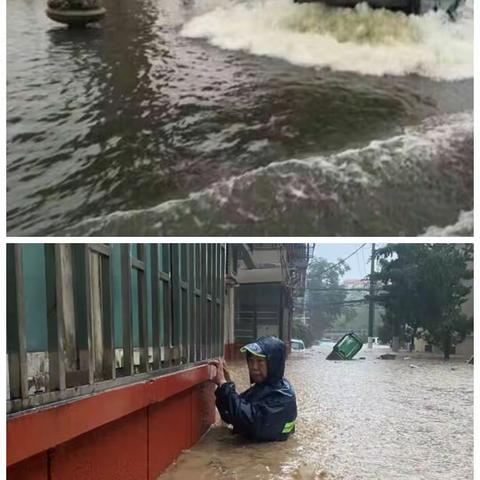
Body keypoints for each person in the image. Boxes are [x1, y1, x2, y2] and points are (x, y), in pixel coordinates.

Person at [209, 336, 297, 442]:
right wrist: (227, 384)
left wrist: (224, 385)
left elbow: (251, 422)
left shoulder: (283, 396)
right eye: (251, 361)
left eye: (260, 361)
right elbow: (232, 415)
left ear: (273, 364)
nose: (254, 367)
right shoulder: (262, 388)